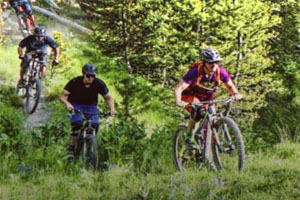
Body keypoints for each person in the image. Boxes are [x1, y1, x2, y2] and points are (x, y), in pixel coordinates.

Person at [174, 48, 243, 149]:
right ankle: (189, 138)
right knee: (198, 110)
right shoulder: (195, 72)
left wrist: (236, 94)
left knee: (213, 120)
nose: (214, 65)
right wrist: (179, 101)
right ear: (204, 62)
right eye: (211, 62)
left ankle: (207, 148)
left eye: (216, 62)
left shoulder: (220, 72)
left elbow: (230, 86)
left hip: (207, 98)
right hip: (190, 95)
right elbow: (178, 88)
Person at [59, 63, 117, 152]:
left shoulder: (99, 83)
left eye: (93, 76)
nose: (90, 78)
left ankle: (91, 146)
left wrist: (112, 109)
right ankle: (72, 146)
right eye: (88, 75)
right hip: (75, 104)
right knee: (77, 124)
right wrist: (68, 103)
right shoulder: (75, 82)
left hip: (91, 106)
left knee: (95, 125)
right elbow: (62, 96)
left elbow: (108, 97)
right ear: (83, 74)